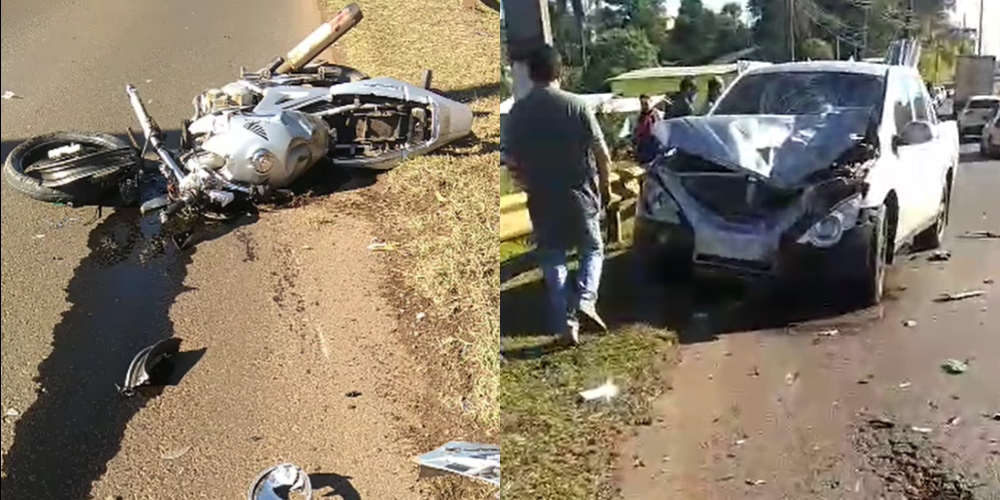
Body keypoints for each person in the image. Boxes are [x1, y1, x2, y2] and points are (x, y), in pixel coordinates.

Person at [505, 45, 613, 345]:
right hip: (580, 195)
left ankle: (567, 324)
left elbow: (511, 162)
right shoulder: (577, 105)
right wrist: (606, 188)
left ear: (530, 74)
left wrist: (526, 183)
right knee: (592, 249)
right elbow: (602, 154)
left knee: (553, 258)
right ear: (559, 72)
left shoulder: (518, 111)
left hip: (541, 198)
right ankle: (587, 299)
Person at [632, 94, 663, 164]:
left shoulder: (656, 115)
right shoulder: (640, 116)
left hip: (653, 144)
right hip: (642, 145)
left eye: (646, 103)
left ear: (651, 102)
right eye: (642, 103)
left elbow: (661, 129)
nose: (644, 106)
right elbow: (636, 129)